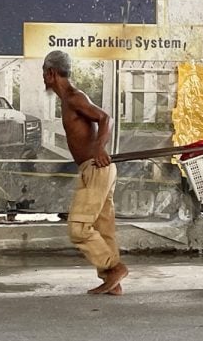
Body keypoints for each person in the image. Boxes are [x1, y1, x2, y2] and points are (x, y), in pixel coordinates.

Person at [42, 50, 128, 295]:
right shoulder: (68, 100)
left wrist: (99, 148)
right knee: (103, 228)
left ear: (51, 73)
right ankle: (112, 282)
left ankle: (114, 268)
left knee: (78, 228)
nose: (43, 78)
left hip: (96, 167)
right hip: (96, 169)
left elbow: (105, 118)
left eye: (44, 73)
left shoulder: (73, 97)